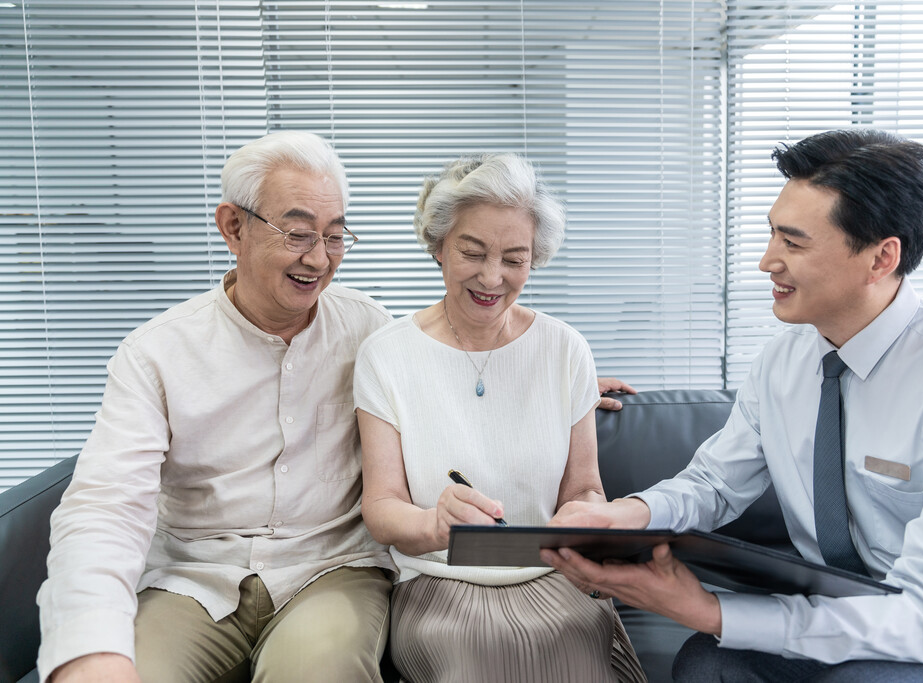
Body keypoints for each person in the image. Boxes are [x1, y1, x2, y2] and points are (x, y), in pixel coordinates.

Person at [543, 129, 923, 681]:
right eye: (773, 235)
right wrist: (624, 516)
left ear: (881, 257)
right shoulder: (783, 360)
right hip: (839, 602)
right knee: (705, 664)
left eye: (793, 244)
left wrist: (710, 610)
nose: (767, 261)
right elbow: (715, 485)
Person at [36, 131, 397, 683]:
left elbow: (445, 406)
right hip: (193, 578)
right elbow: (106, 507)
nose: (320, 259)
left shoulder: (369, 329)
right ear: (233, 227)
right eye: (298, 233)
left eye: (335, 235)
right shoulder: (156, 352)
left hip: (331, 570)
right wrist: (89, 650)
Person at [353, 152, 647, 682]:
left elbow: (584, 488)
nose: (493, 277)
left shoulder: (565, 349)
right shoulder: (385, 355)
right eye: (473, 252)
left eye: (515, 259)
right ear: (439, 246)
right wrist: (432, 524)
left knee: (571, 655)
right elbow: (380, 507)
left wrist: (580, 519)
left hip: (556, 578)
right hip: (439, 585)